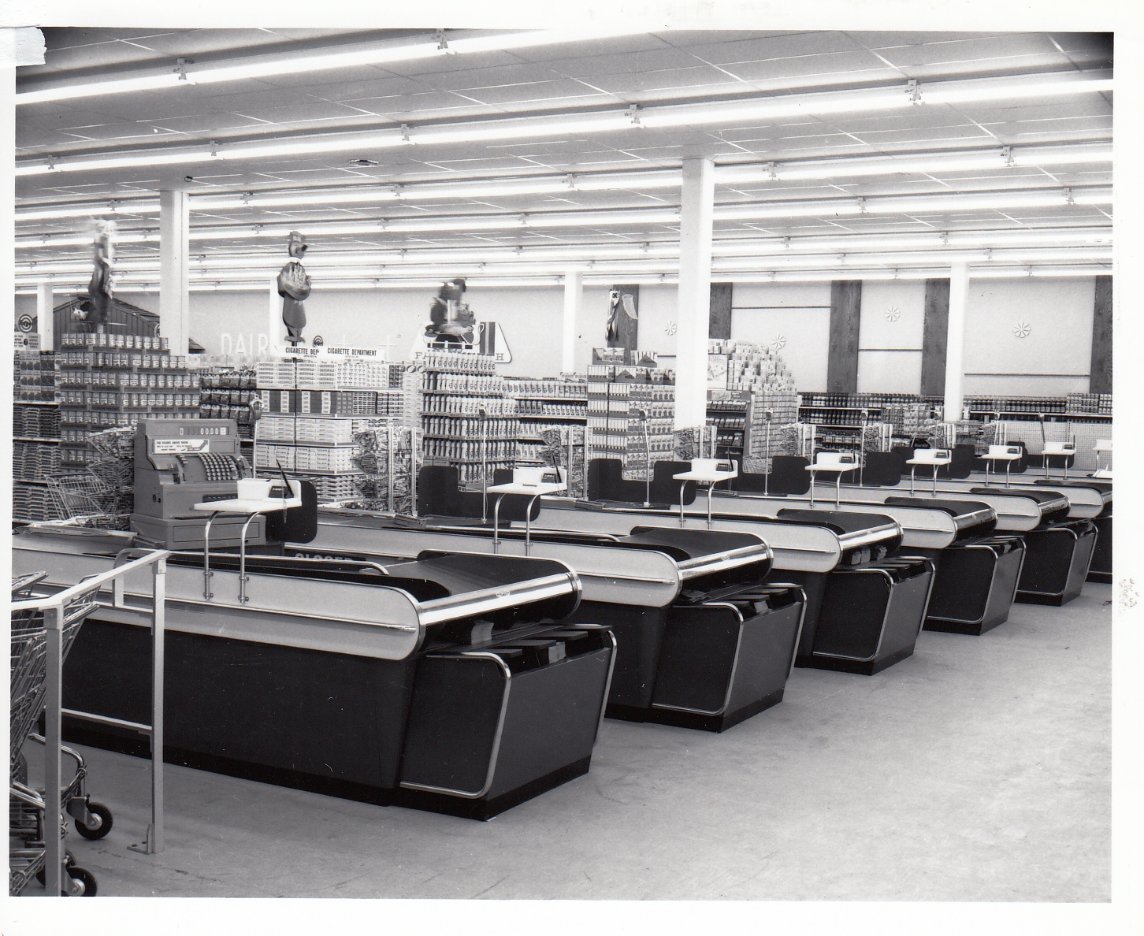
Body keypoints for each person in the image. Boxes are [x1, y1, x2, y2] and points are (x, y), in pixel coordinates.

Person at [277, 231, 311, 346]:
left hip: (298, 307)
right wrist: (299, 289)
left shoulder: (301, 269)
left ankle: (296, 338)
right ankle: (294, 339)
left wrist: (304, 286)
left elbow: (304, 288)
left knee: (298, 320)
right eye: (295, 245)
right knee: (292, 319)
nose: (299, 249)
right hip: (291, 306)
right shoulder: (288, 268)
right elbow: (284, 285)